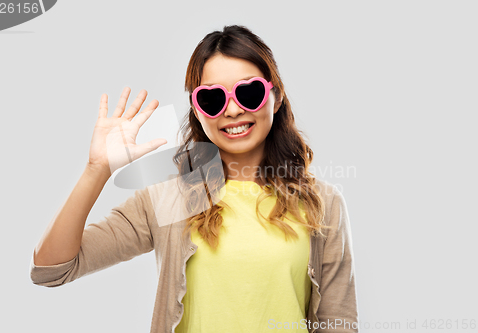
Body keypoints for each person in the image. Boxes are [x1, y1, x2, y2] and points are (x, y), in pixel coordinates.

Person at [30, 25, 359, 333]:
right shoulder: (169, 197)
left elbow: (339, 323)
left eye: (249, 92)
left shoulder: (322, 203)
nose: (231, 111)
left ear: (276, 96)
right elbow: (53, 268)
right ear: (197, 111)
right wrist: (96, 169)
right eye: (213, 99)